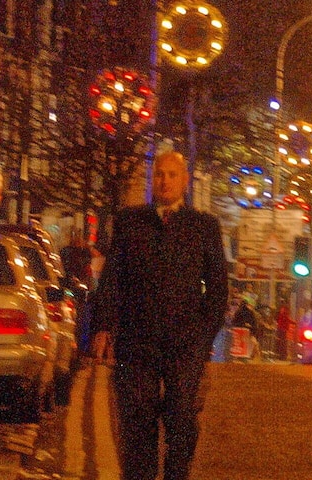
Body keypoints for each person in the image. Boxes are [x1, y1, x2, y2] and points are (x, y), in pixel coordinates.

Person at [91, 151, 230, 480]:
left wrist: (204, 336)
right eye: (159, 175)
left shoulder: (203, 226)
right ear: (152, 181)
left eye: (172, 175)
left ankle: (176, 474)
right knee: (138, 418)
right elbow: (113, 278)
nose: (164, 181)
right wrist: (104, 326)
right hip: (137, 339)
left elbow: (217, 287)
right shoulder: (130, 221)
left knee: (181, 416)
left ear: (184, 181)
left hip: (185, 341)